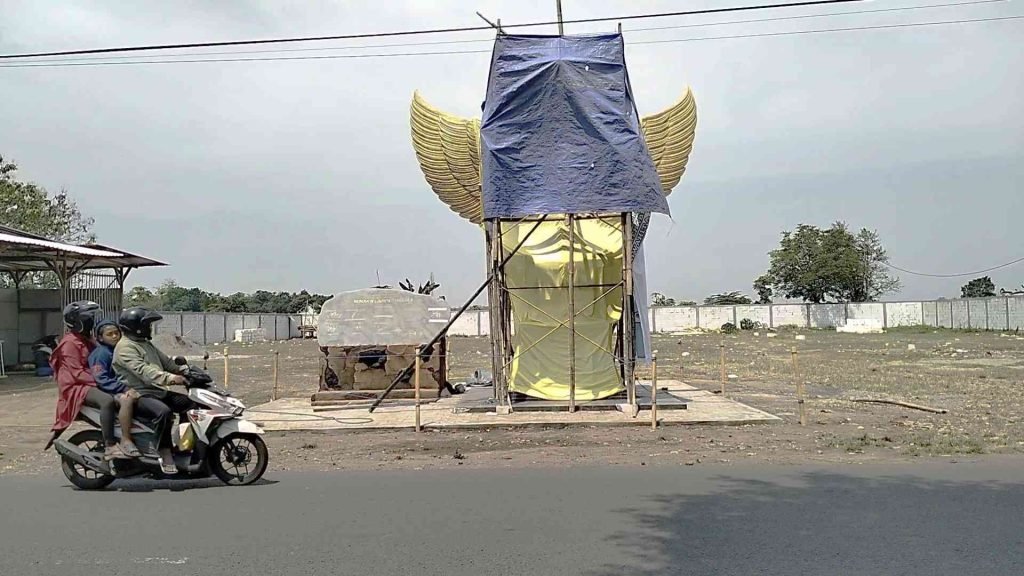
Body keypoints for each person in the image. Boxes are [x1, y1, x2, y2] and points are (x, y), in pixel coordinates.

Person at [112, 307, 189, 474]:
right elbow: (144, 371)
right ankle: (164, 450)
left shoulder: (145, 343)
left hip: (157, 390)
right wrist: (171, 378)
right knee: (164, 412)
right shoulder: (125, 348)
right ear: (136, 327)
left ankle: (184, 445)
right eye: (146, 325)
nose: (149, 328)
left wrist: (185, 371)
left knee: (190, 404)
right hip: (140, 393)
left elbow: (166, 362)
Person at [48, 301, 122, 460]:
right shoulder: (70, 343)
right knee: (107, 400)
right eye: (88, 319)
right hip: (77, 387)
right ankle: (110, 445)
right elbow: (77, 373)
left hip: (91, 381)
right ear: (77, 322)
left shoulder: (87, 339)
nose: (91, 322)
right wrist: (103, 383)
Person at [88, 321, 143, 458]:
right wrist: (124, 388)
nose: (114, 336)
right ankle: (126, 439)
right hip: (110, 390)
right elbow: (101, 378)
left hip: (124, 387)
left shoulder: (120, 349)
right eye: (109, 334)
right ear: (100, 338)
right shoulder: (101, 353)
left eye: (116, 333)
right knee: (126, 400)